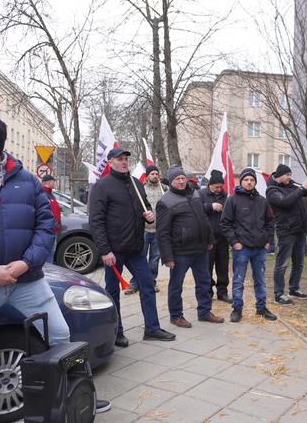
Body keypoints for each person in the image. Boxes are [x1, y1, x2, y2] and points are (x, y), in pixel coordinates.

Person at [0, 117, 111, 422]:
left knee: (61, 335)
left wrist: (26, 262)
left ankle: (78, 394)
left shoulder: (27, 181)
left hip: (26, 280)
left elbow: (46, 227)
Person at [88, 147, 175, 348]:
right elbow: (96, 220)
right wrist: (104, 250)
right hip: (114, 250)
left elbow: (144, 206)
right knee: (112, 292)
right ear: (110, 162)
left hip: (136, 248)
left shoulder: (136, 183)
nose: (124, 162)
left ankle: (152, 328)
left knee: (147, 285)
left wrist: (149, 216)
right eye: (119, 159)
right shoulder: (102, 186)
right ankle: (116, 332)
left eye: (126, 158)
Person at [156, 166, 224, 327]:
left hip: (200, 249)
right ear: (171, 182)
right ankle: (176, 316)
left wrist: (209, 240)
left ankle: (205, 312)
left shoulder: (195, 194)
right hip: (180, 252)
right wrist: (167, 257)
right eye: (176, 179)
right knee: (176, 286)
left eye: (182, 178)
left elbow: (203, 219)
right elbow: (162, 232)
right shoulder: (165, 202)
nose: (181, 181)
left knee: (204, 282)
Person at [220, 168, 277, 323]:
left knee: (260, 280)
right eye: (246, 180)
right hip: (242, 248)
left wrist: (268, 241)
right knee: (238, 280)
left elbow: (270, 222)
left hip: (259, 248)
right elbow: (225, 223)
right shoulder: (232, 200)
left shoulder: (262, 201)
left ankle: (261, 308)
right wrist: (235, 242)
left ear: (255, 183)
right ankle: (237, 309)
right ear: (241, 182)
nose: (249, 182)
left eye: (252, 180)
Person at [266, 164, 307, 305]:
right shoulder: (272, 190)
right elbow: (285, 202)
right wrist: (301, 188)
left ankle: (294, 289)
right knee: (282, 264)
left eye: (290, 175)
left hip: (299, 230)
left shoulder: (292, 185)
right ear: (279, 176)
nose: (290, 177)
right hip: (286, 231)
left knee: (299, 263)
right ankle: (278, 294)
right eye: (287, 175)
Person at [125, 164, 167, 295]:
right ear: (147, 176)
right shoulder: (141, 189)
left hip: (158, 230)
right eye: (152, 174)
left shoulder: (165, 189)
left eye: (156, 174)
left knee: (154, 259)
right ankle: (135, 283)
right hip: (143, 229)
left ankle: (151, 282)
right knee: (139, 257)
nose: (155, 176)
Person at [200, 170, 231, 303]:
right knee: (207, 267)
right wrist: (209, 206)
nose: (219, 189)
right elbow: (194, 209)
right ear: (210, 185)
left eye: (221, 187)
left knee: (223, 266)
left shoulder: (226, 196)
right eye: (216, 187)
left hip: (223, 237)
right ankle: (207, 292)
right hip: (207, 238)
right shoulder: (200, 194)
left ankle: (222, 292)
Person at [41, 174, 61, 264]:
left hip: (53, 230)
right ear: (49, 182)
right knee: (48, 255)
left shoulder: (50, 194)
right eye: (53, 181)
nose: (54, 183)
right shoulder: (43, 194)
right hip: (48, 230)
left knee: (51, 253)